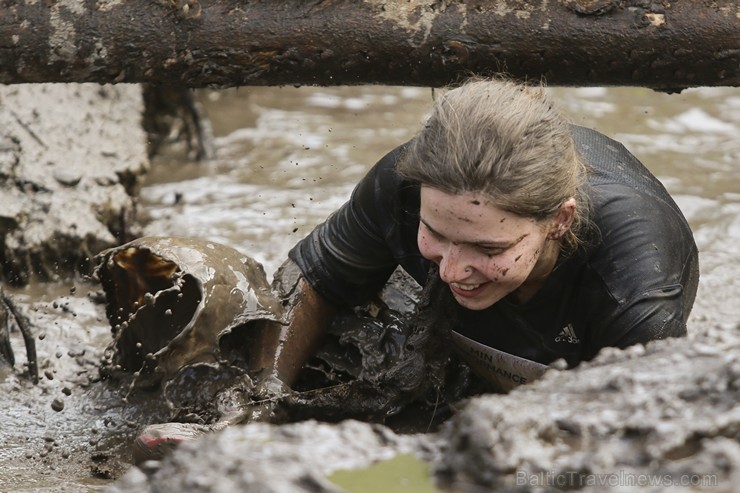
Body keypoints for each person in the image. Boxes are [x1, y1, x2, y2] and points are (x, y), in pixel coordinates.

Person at [255, 76, 699, 394]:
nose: (450, 270)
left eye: (488, 247)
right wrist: (263, 400)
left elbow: (657, 425)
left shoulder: (632, 270)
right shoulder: (404, 183)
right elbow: (313, 279)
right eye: (435, 233)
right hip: (453, 326)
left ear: (559, 222)